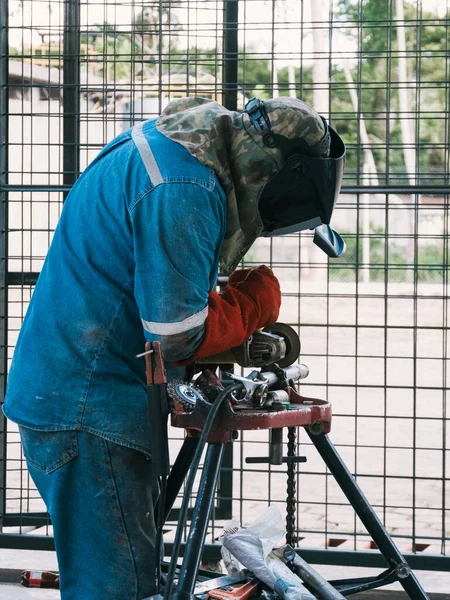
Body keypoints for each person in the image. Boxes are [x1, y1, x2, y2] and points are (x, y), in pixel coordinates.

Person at [3, 96, 345, 599]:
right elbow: (176, 335)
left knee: (117, 577)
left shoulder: (173, 148)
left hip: (79, 396)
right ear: (274, 173)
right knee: (117, 590)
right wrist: (251, 306)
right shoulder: (185, 187)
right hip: (91, 410)